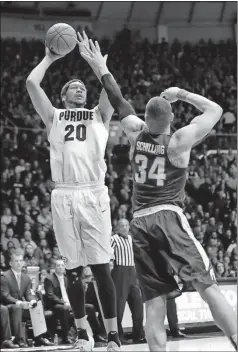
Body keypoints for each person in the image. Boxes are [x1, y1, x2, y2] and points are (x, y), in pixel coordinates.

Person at [79, 39, 237, 351]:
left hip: (139, 223)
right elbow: (215, 110)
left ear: (146, 118)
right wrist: (181, 94)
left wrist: (100, 67)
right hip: (168, 216)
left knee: (154, 303)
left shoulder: (135, 132)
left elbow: (117, 98)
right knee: (207, 286)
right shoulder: (178, 141)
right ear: (170, 119)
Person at [26, 31, 120, 351]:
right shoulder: (54, 116)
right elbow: (31, 84)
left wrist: (98, 67)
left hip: (93, 193)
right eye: (74, 87)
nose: (80, 89)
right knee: (73, 268)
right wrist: (50, 58)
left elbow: (112, 93)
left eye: (83, 87)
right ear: (64, 96)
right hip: (63, 193)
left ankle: (113, 335)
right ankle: (82, 333)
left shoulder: (98, 115)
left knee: (100, 268)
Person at [0, 252, 54, 348]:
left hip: (20, 304)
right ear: (10, 263)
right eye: (16, 261)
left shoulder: (26, 277)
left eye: (20, 260)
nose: (19, 263)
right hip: (7, 304)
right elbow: (5, 295)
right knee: (17, 307)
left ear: (23, 263)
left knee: (37, 305)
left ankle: (39, 337)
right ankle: (19, 339)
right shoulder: (5, 276)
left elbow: (28, 294)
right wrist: (19, 302)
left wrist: (32, 301)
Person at [111, 219, 145, 343]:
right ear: (117, 228)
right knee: (119, 308)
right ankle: (118, 336)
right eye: (122, 225)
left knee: (138, 306)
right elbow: (107, 254)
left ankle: (139, 335)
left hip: (132, 273)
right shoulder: (113, 239)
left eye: (126, 225)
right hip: (120, 274)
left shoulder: (131, 239)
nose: (125, 228)